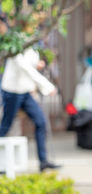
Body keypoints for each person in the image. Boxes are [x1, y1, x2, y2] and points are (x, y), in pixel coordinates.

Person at [0, 17, 61, 172]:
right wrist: (46, 86)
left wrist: (38, 63)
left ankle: (43, 161)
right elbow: (24, 67)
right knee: (5, 127)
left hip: (25, 91)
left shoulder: (31, 42)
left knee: (40, 122)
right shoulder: (15, 42)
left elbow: (30, 62)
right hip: (13, 91)